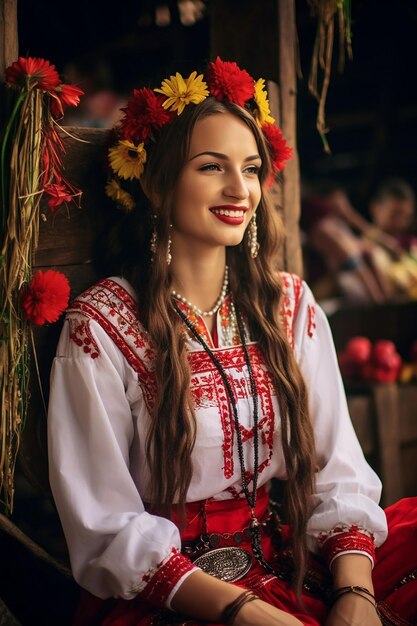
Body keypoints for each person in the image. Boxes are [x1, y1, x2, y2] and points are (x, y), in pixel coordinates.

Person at [47, 58, 417, 626]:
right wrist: (246, 613)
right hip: (176, 591)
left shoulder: (288, 306)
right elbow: (104, 524)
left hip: (286, 555)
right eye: (211, 166)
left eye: (249, 168)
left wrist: (354, 597)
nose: (238, 188)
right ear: (154, 181)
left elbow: (336, 468)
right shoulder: (102, 327)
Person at [300, 180, 402, 305]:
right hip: (322, 290)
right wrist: (378, 301)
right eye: (340, 203)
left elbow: (356, 227)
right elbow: (352, 261)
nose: (345, 208)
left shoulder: (338, 225)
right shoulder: (324, 229)